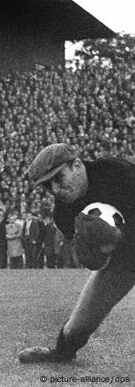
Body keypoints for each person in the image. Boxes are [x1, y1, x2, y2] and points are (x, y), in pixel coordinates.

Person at [19, 143, 135, 363]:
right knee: (76, 328)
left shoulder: (117, 172)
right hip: (122, 261)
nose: (55, 190)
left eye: (59, 179)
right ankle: (62, 353)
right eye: (47, 186)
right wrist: (95, 256)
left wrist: (119, 235)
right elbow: (98, 260)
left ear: (78, 165)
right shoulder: (63, 213)